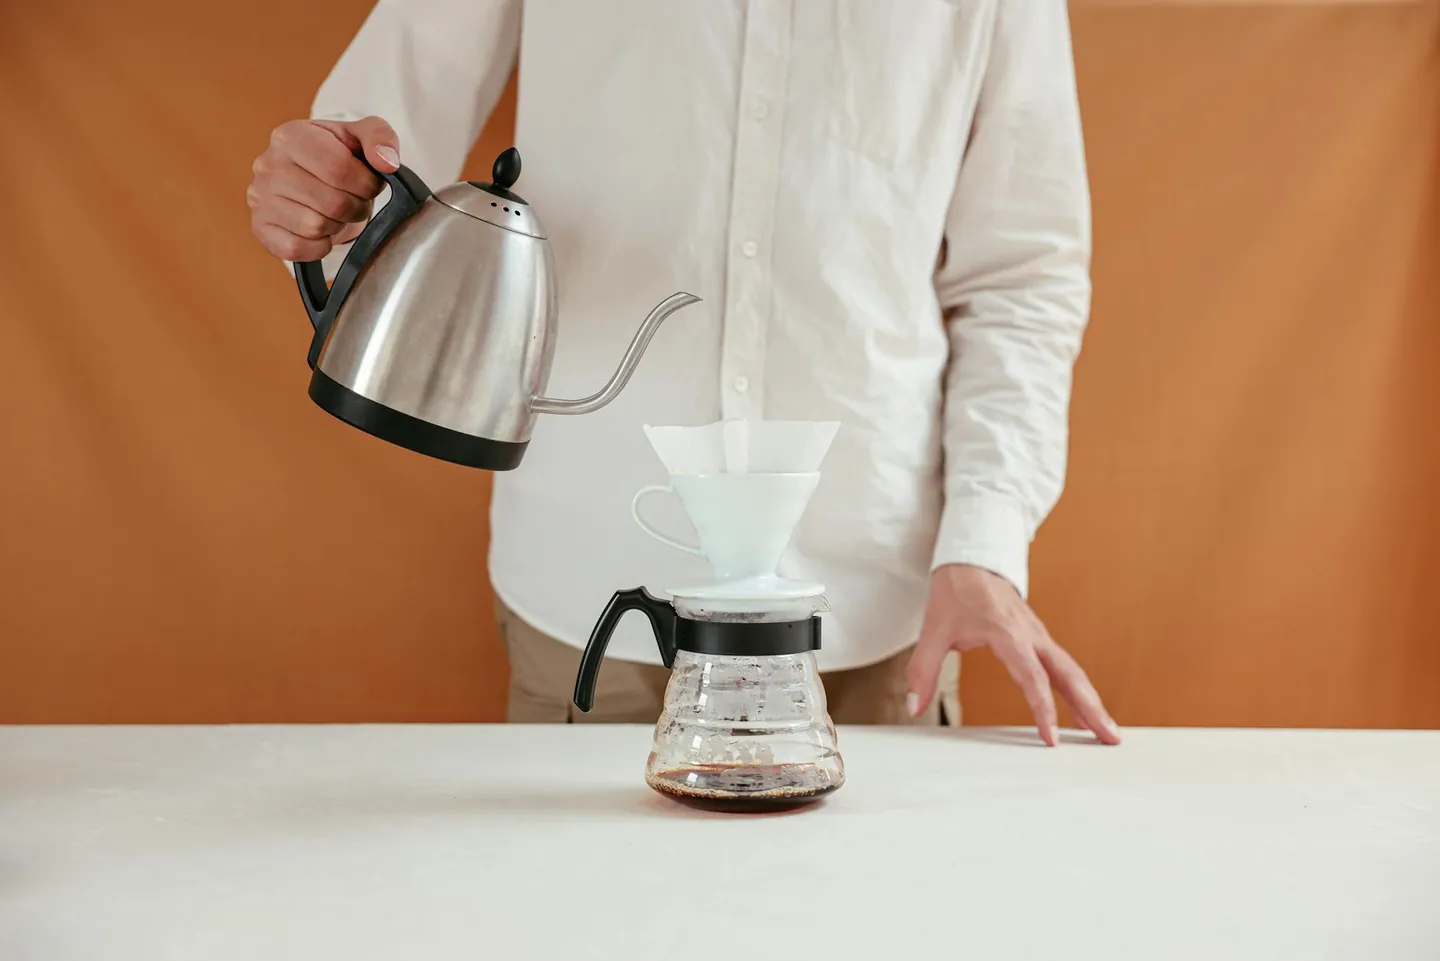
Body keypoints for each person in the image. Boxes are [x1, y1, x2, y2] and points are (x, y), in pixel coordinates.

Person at [247, 0, 1121, 746]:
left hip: (870, 612)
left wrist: (987, 543)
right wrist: (322, 185)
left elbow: (1021, 277)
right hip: (586, 588)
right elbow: (373, 151)